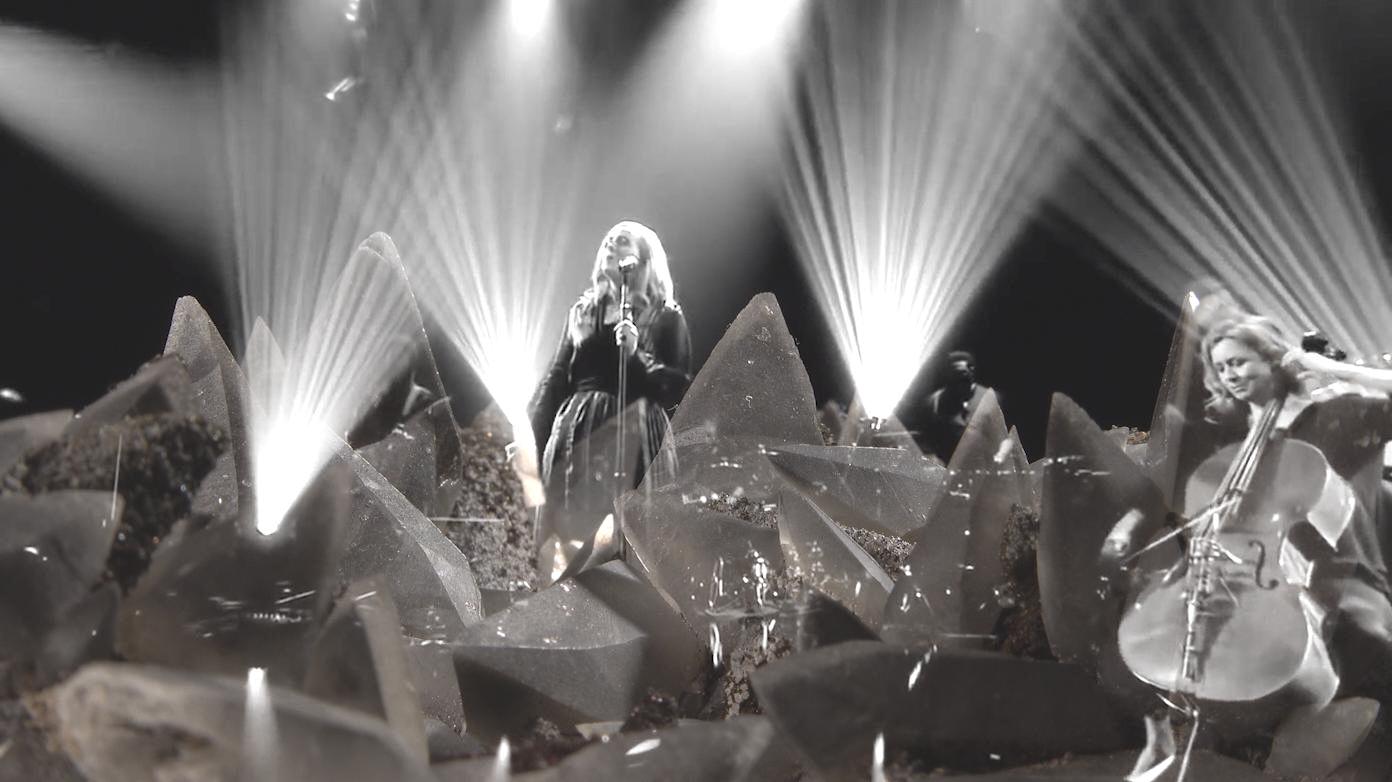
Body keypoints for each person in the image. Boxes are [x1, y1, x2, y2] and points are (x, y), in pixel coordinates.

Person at [1140, 314, 1392, 702]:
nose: (1229, 375)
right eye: (1221, 368)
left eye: (1238, 362)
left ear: (1273, 359)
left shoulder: (1337, 417)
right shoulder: (1239, 439)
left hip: (1342, 580)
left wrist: (1328, 368)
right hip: (1271, 580)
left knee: (1359, 639)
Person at [528, 221, 692, 566]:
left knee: (632, 540)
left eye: (622, 240)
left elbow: (676, 386)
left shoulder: (666, 317)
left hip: (640, 434)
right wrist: (528, 436)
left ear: (644, 260)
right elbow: (555, 379)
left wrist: (637, 355)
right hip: (579, 432)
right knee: (574, 540)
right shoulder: (582, 313)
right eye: (607, 241)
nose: (610, 244)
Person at [913, 350, 992, 462]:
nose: (960, 381)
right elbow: (924, 437)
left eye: (964, 374)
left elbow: (1004, 439)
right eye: (956, 374)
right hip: (946, 463)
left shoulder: (991, 399)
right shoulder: (933, 402)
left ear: (972, 371)